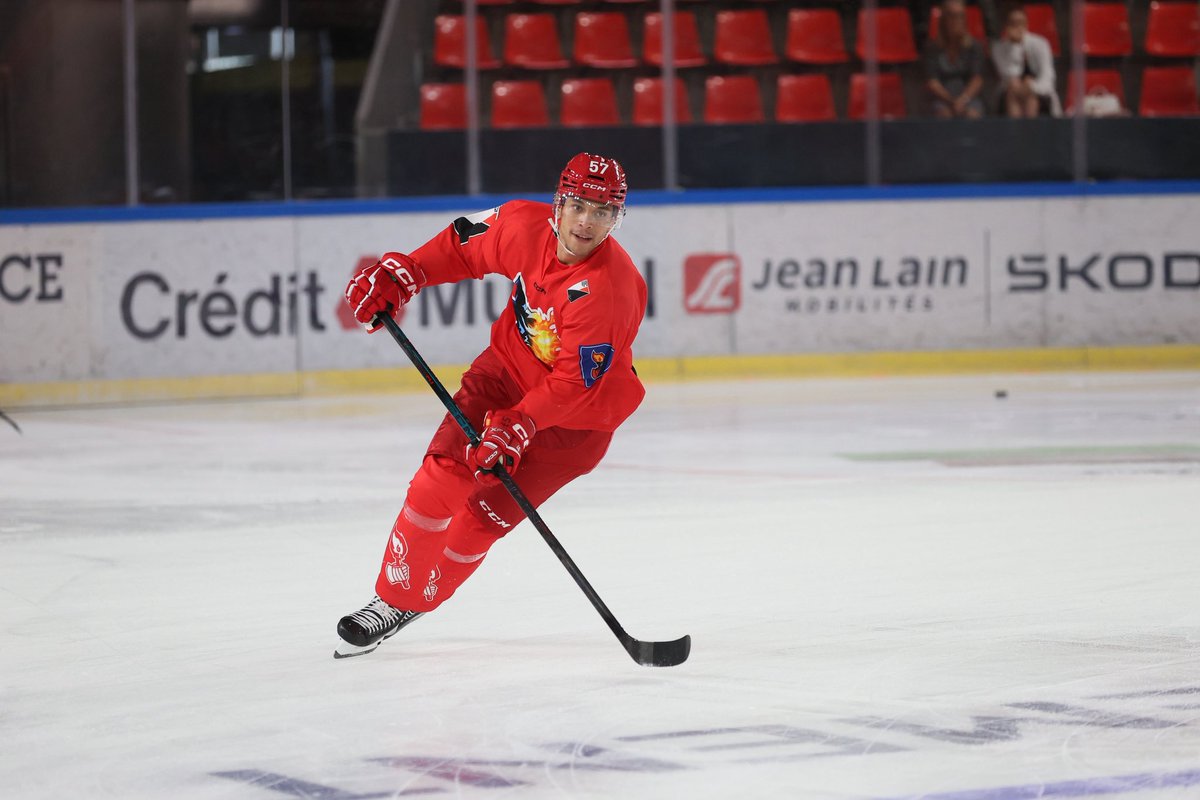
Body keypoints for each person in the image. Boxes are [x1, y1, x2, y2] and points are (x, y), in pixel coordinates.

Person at [333, 153, 647, 659]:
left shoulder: (610, 290)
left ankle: (422, 597)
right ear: (559, 202)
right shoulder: (521, 225)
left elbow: (574, 385)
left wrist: (522, 424)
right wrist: (406, 274)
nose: (587, 221)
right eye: (579, 205)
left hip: (576, 425)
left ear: (617, 219)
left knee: (480, 519)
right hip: (503, 377)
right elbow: (461, 249)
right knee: (441, 475)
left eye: (603, 211)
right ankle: (391, 601)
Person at [991, 3, 1060, 118]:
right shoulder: (999, 48)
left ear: (1027, 24)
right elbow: (1008, 74)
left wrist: (1032, 86)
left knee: (1030, 96)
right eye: (1013, 23)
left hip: (1038, 91)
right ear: (1006, 26)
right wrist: (1015, 45)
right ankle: (1016, 135)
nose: (1017, 27)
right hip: (1011, 91)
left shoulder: (1041, 44)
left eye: (1020, 22)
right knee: (1013, 90)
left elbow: (1048, 77)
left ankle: (1028, 134)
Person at [924, 0, 986, 119]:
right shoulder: (932, 48)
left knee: (972, 115)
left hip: (969, 97)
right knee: (944, 114)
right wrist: (951, 101)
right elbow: (932, 82)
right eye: (952, 16)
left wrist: (963, 99)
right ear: (944, 20)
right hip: (942, 98)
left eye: (960, 16)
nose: (957, 20)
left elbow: (977, 79)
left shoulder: (974, 46)